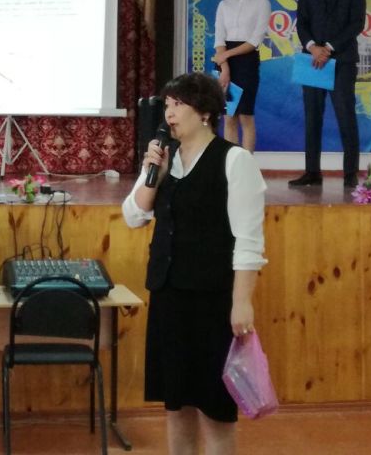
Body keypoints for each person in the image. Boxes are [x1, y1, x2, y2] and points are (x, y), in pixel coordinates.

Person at [122, 72, 267, 455]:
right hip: (169, 297)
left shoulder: (234, 160)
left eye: (178, 104)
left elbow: (249, 242)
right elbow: (133, 217)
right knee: (177, 406)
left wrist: (242, 302)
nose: (169, 113)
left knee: (214, 410)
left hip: (212, 301)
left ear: (204, 112)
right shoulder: (163, 160)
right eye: (167, 105)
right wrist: (154, 175)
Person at [289, 0, 366, 188]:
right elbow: (302, 23)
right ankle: (312, 172)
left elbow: (357, 23)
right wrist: (313, 47)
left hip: (342, 60)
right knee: (312, 117)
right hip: (312, 60)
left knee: (346, 116)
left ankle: (350, 174)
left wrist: (329, 48)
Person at [212, 0, 271, 153]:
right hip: (224, 62)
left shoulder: (261, 3)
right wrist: (225, 67)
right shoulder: (224, 5)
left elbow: (255, 40)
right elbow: (219, 37)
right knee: (229, 116)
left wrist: (227, 54)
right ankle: (232, 164)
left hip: (246, 61)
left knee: (246, 116)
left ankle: (248, 164)